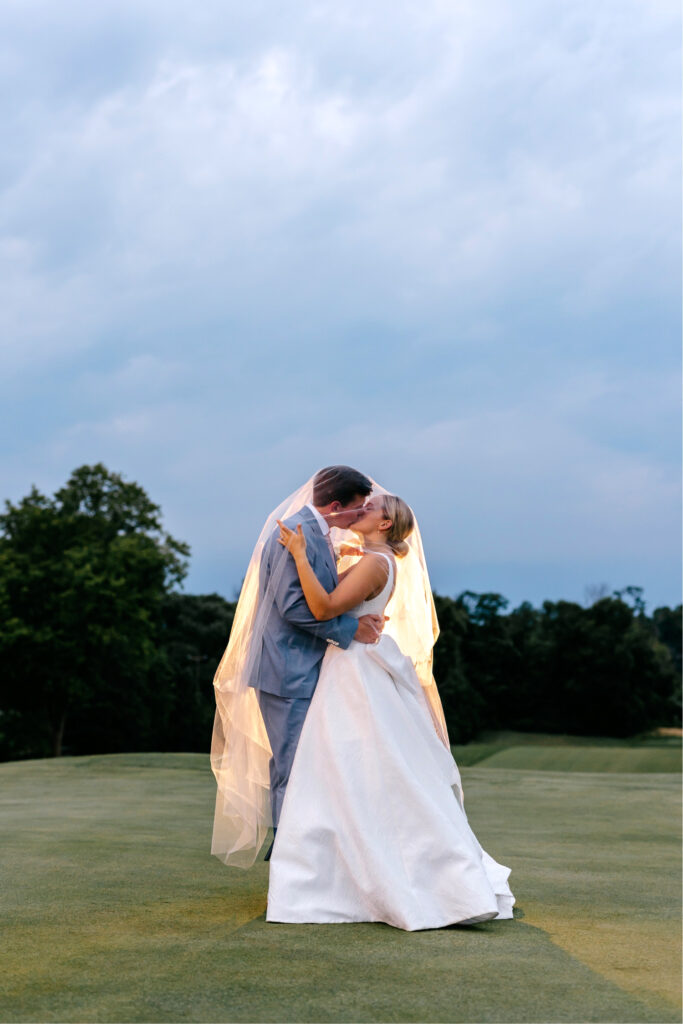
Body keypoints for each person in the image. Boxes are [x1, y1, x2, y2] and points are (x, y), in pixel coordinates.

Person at [265, 492, 515, 930]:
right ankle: (345, 871)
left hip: (354, 671)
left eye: (370, 508)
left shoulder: (376, 563)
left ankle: (400, 878)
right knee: (348, 772)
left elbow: (324, 607)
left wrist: (302, 555)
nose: (360, 510)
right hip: (350, 665)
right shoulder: (373, 557)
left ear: (385, 524)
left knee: (359, 768)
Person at [210, 467, 388, 869]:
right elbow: (293, 608)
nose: (358, 517)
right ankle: (290, 859)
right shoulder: (294, 533)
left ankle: (304, 854)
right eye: (357, 509)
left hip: (299, 665)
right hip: (286, 667)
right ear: (336, 506)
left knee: (305, 762)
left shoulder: (316, 533)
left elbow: (317, 591)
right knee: (292, 764)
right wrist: (351, 628)